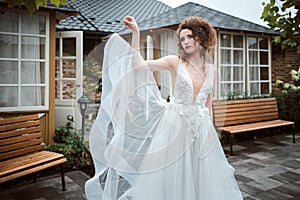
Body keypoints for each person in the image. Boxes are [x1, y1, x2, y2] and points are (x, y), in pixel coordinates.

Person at [85, 16, 243, 200]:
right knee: (173, 175)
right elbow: (138, 65)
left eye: (189, 36)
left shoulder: (212, 70)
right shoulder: (175, 62)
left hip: (202, 130)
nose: (185, 42)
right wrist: (136, 32)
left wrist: (212, 135)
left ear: (200, 37)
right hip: (175, 128)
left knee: (200, 176)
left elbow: (208, 105)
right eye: (182, 39)